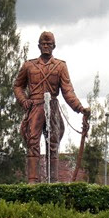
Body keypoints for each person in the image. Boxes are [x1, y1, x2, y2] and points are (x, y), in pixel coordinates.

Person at [14, 31, 90, 183]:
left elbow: (68, 91)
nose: (46, 46)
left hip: (53, 108)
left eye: (49, 44)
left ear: (54, 46)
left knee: (53, 143)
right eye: (43, 44)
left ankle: (53, 181)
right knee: (33, 142)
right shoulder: (29, 65)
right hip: (34, 107)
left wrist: (80, 108)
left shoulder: (60, 66)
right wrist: (23, 101)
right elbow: (17, 86)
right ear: (39, 46)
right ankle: (33, 181)